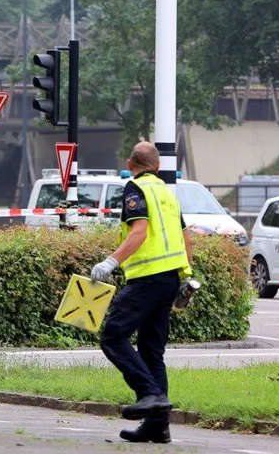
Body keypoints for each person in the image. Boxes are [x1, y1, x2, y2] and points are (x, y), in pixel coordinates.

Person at [89, 141, 194, 444]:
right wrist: (186, 275)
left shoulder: (135, 188)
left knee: (113, 335)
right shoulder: (167, 194)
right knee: (151, 350)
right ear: (158, 166)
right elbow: (186, 237)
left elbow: (139, 232)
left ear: (130, 163)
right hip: (170, 281)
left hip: (147, 280)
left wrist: (110, 262)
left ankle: (148, 393)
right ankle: (158, 426)